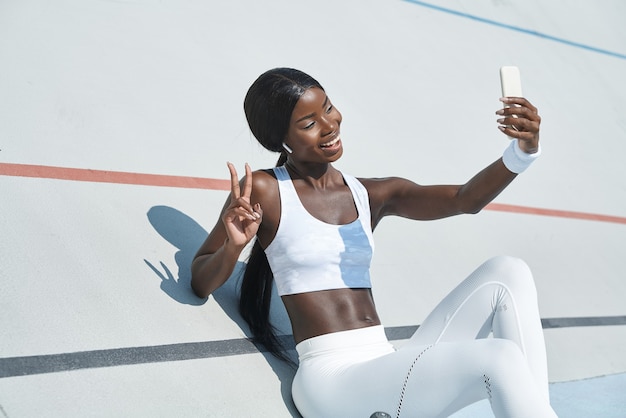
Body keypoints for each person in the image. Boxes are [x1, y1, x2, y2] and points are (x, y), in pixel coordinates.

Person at [191, 68, 557, 417]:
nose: (329, 125)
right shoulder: (266, 190)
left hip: (386, 368)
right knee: (498, 357)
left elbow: (465, 199)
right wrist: (233, 247)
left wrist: (522, 153)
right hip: (333, 380)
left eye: (329, 109)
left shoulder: (370, 194)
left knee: (508, 272)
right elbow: (200, 278)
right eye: (308, 123)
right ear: (280, 139)